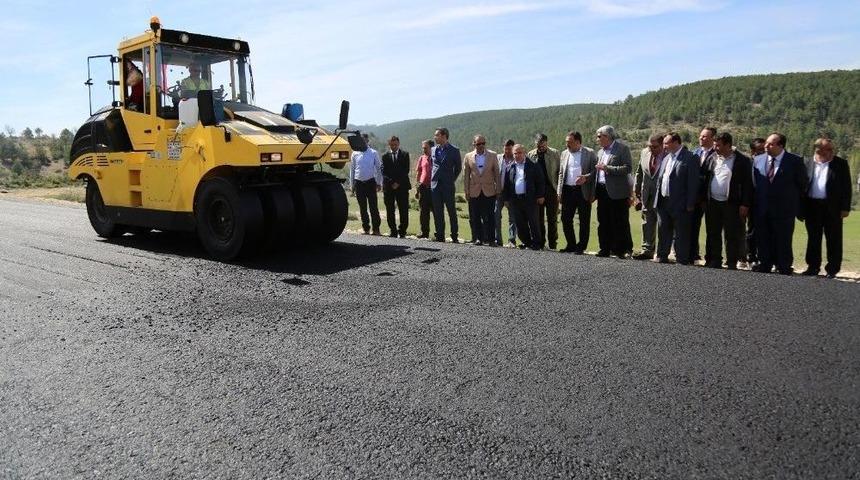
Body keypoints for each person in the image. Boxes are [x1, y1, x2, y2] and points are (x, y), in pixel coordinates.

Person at [751, 132, 808, 275]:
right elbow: (754, 183)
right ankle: (765, 264)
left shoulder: (794, 161)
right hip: (762, 208)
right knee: (763, 238)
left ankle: (784, 266)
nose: (766, 146)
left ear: (781, 146)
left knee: (783, 239)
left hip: (784, 209)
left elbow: (802, 184)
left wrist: (792, 202)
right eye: (766, 143)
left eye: (770, 144)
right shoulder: (758, 160)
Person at [702, 132, 753, 269]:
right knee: (713, 233)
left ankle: (731, 262)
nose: (715, 148)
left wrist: (745, 204)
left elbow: (748, 184)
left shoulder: (742, 160)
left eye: (718, 145)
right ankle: (715, 260)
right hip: (712, 202)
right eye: (714, 145)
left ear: (728, 145)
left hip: (731, 204)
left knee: (731, 234)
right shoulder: (712, 158)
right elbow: (705, 179)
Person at [802, 138, 852, 278]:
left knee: (834, 239)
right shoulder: (806, 163)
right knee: (813, 238)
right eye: (829, 149)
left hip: (833, 207)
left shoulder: (840, 164)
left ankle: (832, 269)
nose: (832, 152)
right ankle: (812, 267)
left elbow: (846, 187)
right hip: (812, 206)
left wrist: (845, 208)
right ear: (818, 150)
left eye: (832, 149)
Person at [654, 132, 700, 265]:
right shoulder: (667, 158)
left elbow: (693, 183)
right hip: (664, 201)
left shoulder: (690, 157)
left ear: (676, 142)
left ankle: (682, 259)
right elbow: (661, 179)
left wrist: (690, 202)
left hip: (681, 203)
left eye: (666, 143)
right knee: (663, 230)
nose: (664, 146)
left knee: (681, 232)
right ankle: (662, 256)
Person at [594, 125, 633, 258]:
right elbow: (597, 171)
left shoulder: (622, 149)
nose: (597, 139)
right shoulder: (600, 152)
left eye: (599, 136)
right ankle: (604, 248)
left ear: (607, 136)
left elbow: (628, 168)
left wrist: (608, 168)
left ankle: (620, 250)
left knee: (619, 221)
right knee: (603, 221)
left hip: (617, 192)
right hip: (601, 190)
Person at [557, 131, 597, 254]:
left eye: (570, 142)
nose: (567, 144)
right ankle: (571, 244)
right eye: (566, 142)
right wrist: (559, 191)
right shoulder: (564, 154)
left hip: (583, 191)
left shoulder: (589, 153)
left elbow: (595, 172)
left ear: (578, 142)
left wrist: (586, 177)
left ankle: (581, 246)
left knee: (584, 220)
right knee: (565, 219)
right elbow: (561, 174)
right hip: (568, 190)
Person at [504, 144, 545, 250]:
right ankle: (527, 242)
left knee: (533, 222)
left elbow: (540, 182)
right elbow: (507, 185)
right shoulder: (510, 167)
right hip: (516, 200)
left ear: (524, 153)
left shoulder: (534, 165)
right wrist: (506, 199)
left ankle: (536, 243)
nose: (517, 155)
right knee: (520, 223)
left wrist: (540, 195)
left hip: (530, 199)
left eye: (519, 153)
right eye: (515, 153)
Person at [633, 134, 666, 259]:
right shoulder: (644, 153)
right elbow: (639, 172)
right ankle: (647, 250)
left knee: (664, 224)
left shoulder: (668, 155)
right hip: (647, 195)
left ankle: (663, 252)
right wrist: (636, 190)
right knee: (647, 222)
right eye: (649, 146)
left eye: (655, 146)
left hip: (662, 195)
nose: (651, 149)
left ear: (662, 145)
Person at [463, 135, 500, 245]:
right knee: (475, 216)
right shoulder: (468, 156)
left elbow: (497, 174)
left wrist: (498, 190)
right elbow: (466, 175)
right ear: (474, 144)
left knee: (490, 216)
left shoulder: (493, 155)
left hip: (489, 190)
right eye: (479, 144)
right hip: (474, 191)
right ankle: (478, 238)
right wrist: (466, 191)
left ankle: (491, 239)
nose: (481, 146)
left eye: (483, 143)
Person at [528, 133, 561, 249]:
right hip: (537, 192)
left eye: (543, 144)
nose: (541, 147)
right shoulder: (531, 155)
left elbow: (559, 172)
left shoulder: (555, 153)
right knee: (539, 219)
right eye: (538, 145)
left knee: (552, 219)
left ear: (547, 142)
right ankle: (541, 243)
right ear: (535, 143)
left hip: (551, 189)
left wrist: (559, 190)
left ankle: (553, 244)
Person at [430, 127, 462, 243]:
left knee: (451, 211)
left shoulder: (454, 150)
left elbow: (458, 168)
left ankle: (454, 235)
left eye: (436, 135)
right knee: (438, 212)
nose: (435, 137)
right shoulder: (433, 150)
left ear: (444, 136)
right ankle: (440, 235)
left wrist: (451, 179)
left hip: (448, 185)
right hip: (435, 186)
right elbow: (432, 165)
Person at [691, 127, 717, 262]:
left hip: (710, 198)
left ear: (713, 138)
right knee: (693, 227)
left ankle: (711, 257)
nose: (701, 138)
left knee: (712, 229)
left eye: (705, 136)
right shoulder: (694, 153)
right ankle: (694, 255)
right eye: (700, 136)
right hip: (695, 198)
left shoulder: (717, 154)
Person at [348, 133, 383, 235]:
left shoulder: (373, 153)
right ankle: (366, 229)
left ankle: (376, 229)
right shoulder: (355, 153)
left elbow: (379, 168)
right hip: (359, 183)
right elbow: (352, 170)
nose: (362, 142)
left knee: (373, 207)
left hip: (371, 182)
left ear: (368, 141)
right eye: (361, 140)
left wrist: (379, 183)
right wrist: (352, 185)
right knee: (362, 208)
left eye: (364, 140)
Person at [381, 136, 411, 238]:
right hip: (389, 187)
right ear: (389, 144)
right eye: (392, 145)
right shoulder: (385, 156)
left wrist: (398, 182)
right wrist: (391, 182)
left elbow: (406, 170)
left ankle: (402, 231)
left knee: (403, 209)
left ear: (398, 144)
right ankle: (393, 231)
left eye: (395, 145)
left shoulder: (405, 155)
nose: (394, 146)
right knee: (390, 209)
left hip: (402, 186)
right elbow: (384, 171)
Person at [743, 137, 766, 268]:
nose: (764, 153)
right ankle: (751, 257)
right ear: (752, 152)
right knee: (753, 232)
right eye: (760, 150)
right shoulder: (748, 164)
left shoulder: (771, 163)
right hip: (752, 204)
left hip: (769, 204)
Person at [495, 139, 517, 247]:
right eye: (505, 148)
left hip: (512, 194)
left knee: (512, 218)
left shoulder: (516, 159)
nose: (507, 151)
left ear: (513, 148)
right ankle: (497, 240)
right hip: (499, 192)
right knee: (496, 215)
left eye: (509, 148)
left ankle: (511, 241)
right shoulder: (498, 158)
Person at [414, 139, 434, 239]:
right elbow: (418, 173)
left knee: (437, 212)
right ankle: (424, 233)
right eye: (423, 148)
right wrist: (417, 189)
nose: (424, 150)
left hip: (434, 189)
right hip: (423, 188)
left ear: (431, 147)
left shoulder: (437, 158)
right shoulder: (422, 158)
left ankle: (439, 234)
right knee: (423, 212)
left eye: (425, 148)